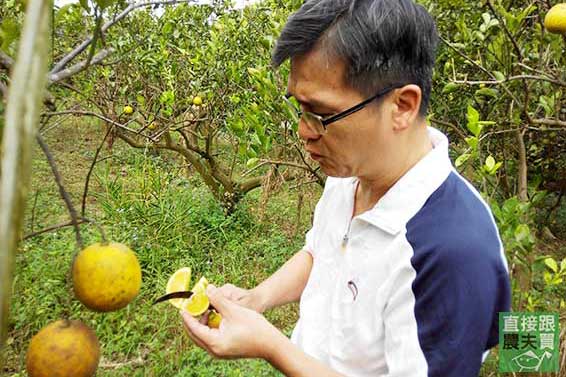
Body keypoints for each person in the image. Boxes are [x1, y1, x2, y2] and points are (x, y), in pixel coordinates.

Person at [181, 0, 512, 375]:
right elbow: (320, 252)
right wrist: (256, 298)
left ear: (402, 106)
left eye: (320, 114)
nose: (305, 132)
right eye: (299, 109)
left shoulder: (452, 253)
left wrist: (271, 346)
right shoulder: (351, 173)